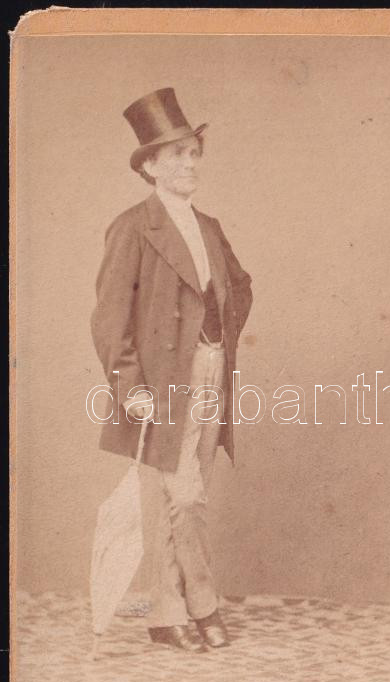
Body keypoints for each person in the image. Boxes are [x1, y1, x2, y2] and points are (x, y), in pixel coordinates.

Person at [91, 88, 253, 653]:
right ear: (151, 166)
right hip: (160, 385)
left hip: (212, 370)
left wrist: (217, 340)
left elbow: (239, 286)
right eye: (177, 154)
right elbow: (109, 318)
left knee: (182, 494)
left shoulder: (208, 225)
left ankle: (166, 614)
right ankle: (203, 603)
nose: (190, 163)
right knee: (183, 496)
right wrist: (130, 388)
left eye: (194, 153)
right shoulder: (133, 227)